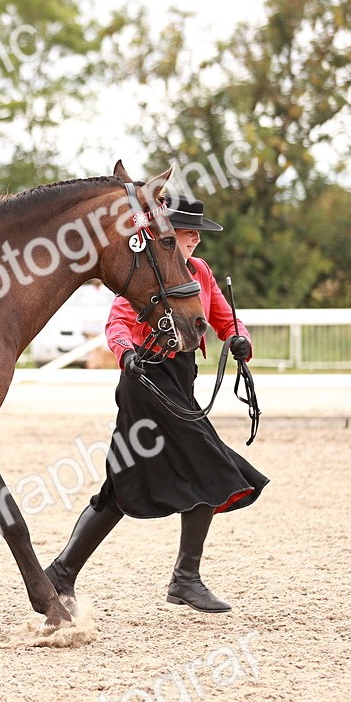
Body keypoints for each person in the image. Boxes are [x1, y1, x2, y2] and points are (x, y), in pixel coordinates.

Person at [45, 194, 269, 614]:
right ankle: (186, 580)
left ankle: (61, 572)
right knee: (212, 466)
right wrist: (125, 352)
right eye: (187, 234)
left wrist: (239, 339)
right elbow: (118, 321)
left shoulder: (200, 272)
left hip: (181, 381)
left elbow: (225, 319)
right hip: (145, 379)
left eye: (196, 235)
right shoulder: (147, 269)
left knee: (125, 483)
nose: (194, 242)